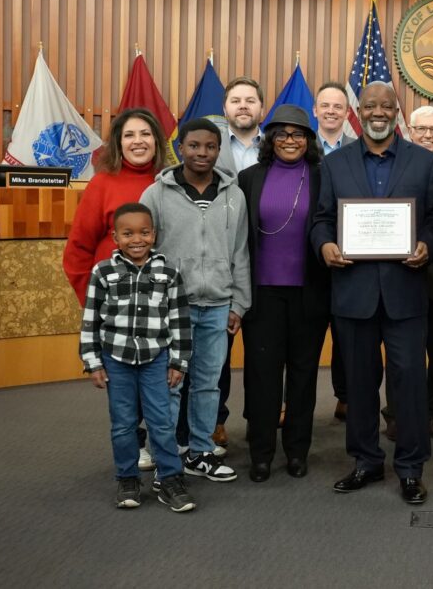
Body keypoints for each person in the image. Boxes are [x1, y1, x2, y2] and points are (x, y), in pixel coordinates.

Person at [310, 82, 433, 506]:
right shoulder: (335, 163)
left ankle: (410, 468)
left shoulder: (424, 162)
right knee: (360, 383)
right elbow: (322, 219)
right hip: (353, 291)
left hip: (406, 291)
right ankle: (365, 461)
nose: (379, 112)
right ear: (359, 110)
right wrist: (324, 245)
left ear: (397, 111)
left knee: (408, 383)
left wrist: (427, 242)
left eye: (387, 105)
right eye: (371, 106)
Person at [141, 118, 251, 484]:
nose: (202, 153)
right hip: (173, 309)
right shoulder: (156, 194)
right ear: (180, 147)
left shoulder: (234, 195)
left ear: (219, 150)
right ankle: (165, 452)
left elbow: (240, 252)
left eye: (210, 147)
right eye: (194, 146)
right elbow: (143, 252)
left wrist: (239, 304)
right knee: (170, 384)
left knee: (207, 383)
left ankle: (201, 451)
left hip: (217, 306)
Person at [63, 108, 167, 471]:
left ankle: (165, 443)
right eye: (129, 135)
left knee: (159, 378)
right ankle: (135, 443)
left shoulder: (169, 180)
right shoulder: (102, 184)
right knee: (126, 386)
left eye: (145, 134)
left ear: (157, 139)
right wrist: (92, 304)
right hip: (115, 308)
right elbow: (77, 250)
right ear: (118, 143)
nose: (138, 141)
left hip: (159, 304)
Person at [79, 202, 196, 513]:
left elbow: (179, 321)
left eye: (144, 232)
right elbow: (91, 320)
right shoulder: (103, 272)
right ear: (115, 237)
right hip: (116, 359)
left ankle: (170, 479)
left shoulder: (168, 272)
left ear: (154, 235)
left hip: (156, 359)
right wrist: (92, 362)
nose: (137, 240)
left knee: (161, 421)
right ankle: (128, 478)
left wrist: (178, 361)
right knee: (123, 423)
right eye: (128, 233)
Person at [237, 104, 330, 483]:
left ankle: (296, 450)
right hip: (262, 294)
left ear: (308, 140)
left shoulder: (325, 177)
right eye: (281, 134)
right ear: (270, 140)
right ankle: (261, 453)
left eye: (297, 134)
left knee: (304, 375)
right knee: (261, 375)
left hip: (310, 292)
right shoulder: (247, 179)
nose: (289, 140)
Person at [383, 105, 433, 442]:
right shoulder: (394, 163)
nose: (428, 135)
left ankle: (432, 414)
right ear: (408, 130)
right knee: (401, 352)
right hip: (400, 271)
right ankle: (396, 414)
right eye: (421, 129)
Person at [206, 76, 265, 455]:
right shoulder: (207, 145)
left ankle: (264, 414)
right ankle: (215, 420)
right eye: (236, 100)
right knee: (217, 352)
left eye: (250, 100)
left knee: (265, 350)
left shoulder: (277, 145)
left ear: (261, 108)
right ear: (225, 108)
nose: (243, 106)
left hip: (268, 260)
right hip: (222, 260)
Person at [312, 81, 356, 422]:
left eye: (337, 106)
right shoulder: (296, 145)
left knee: (348, 336)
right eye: (324, 105)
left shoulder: (360, 148)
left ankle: (345, 396)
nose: (330, 111)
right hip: (307, 255)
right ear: (315, 110)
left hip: (354, 258)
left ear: (346, 112)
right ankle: (296, 403)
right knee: (305, 339)